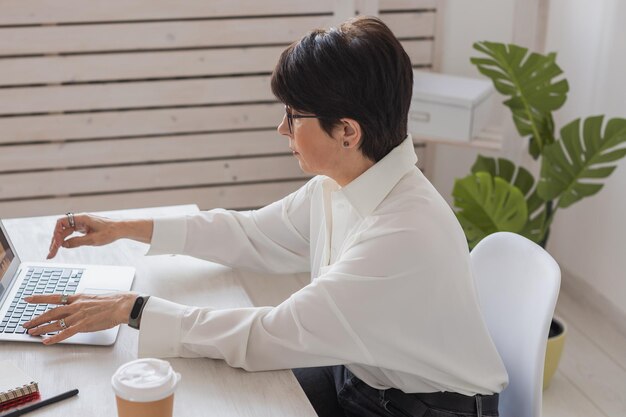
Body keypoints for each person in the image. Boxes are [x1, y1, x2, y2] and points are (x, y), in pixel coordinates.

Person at [23, 16, 507, 417]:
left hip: (425, 410)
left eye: (294, 115)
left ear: (347, 132)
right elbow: (251, 234)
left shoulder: (402, 234)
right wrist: (125, 227)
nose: (282, 128)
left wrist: (132, 309)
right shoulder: (343, 186)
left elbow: (268, 334)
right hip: (363, 377)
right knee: (213, 389)